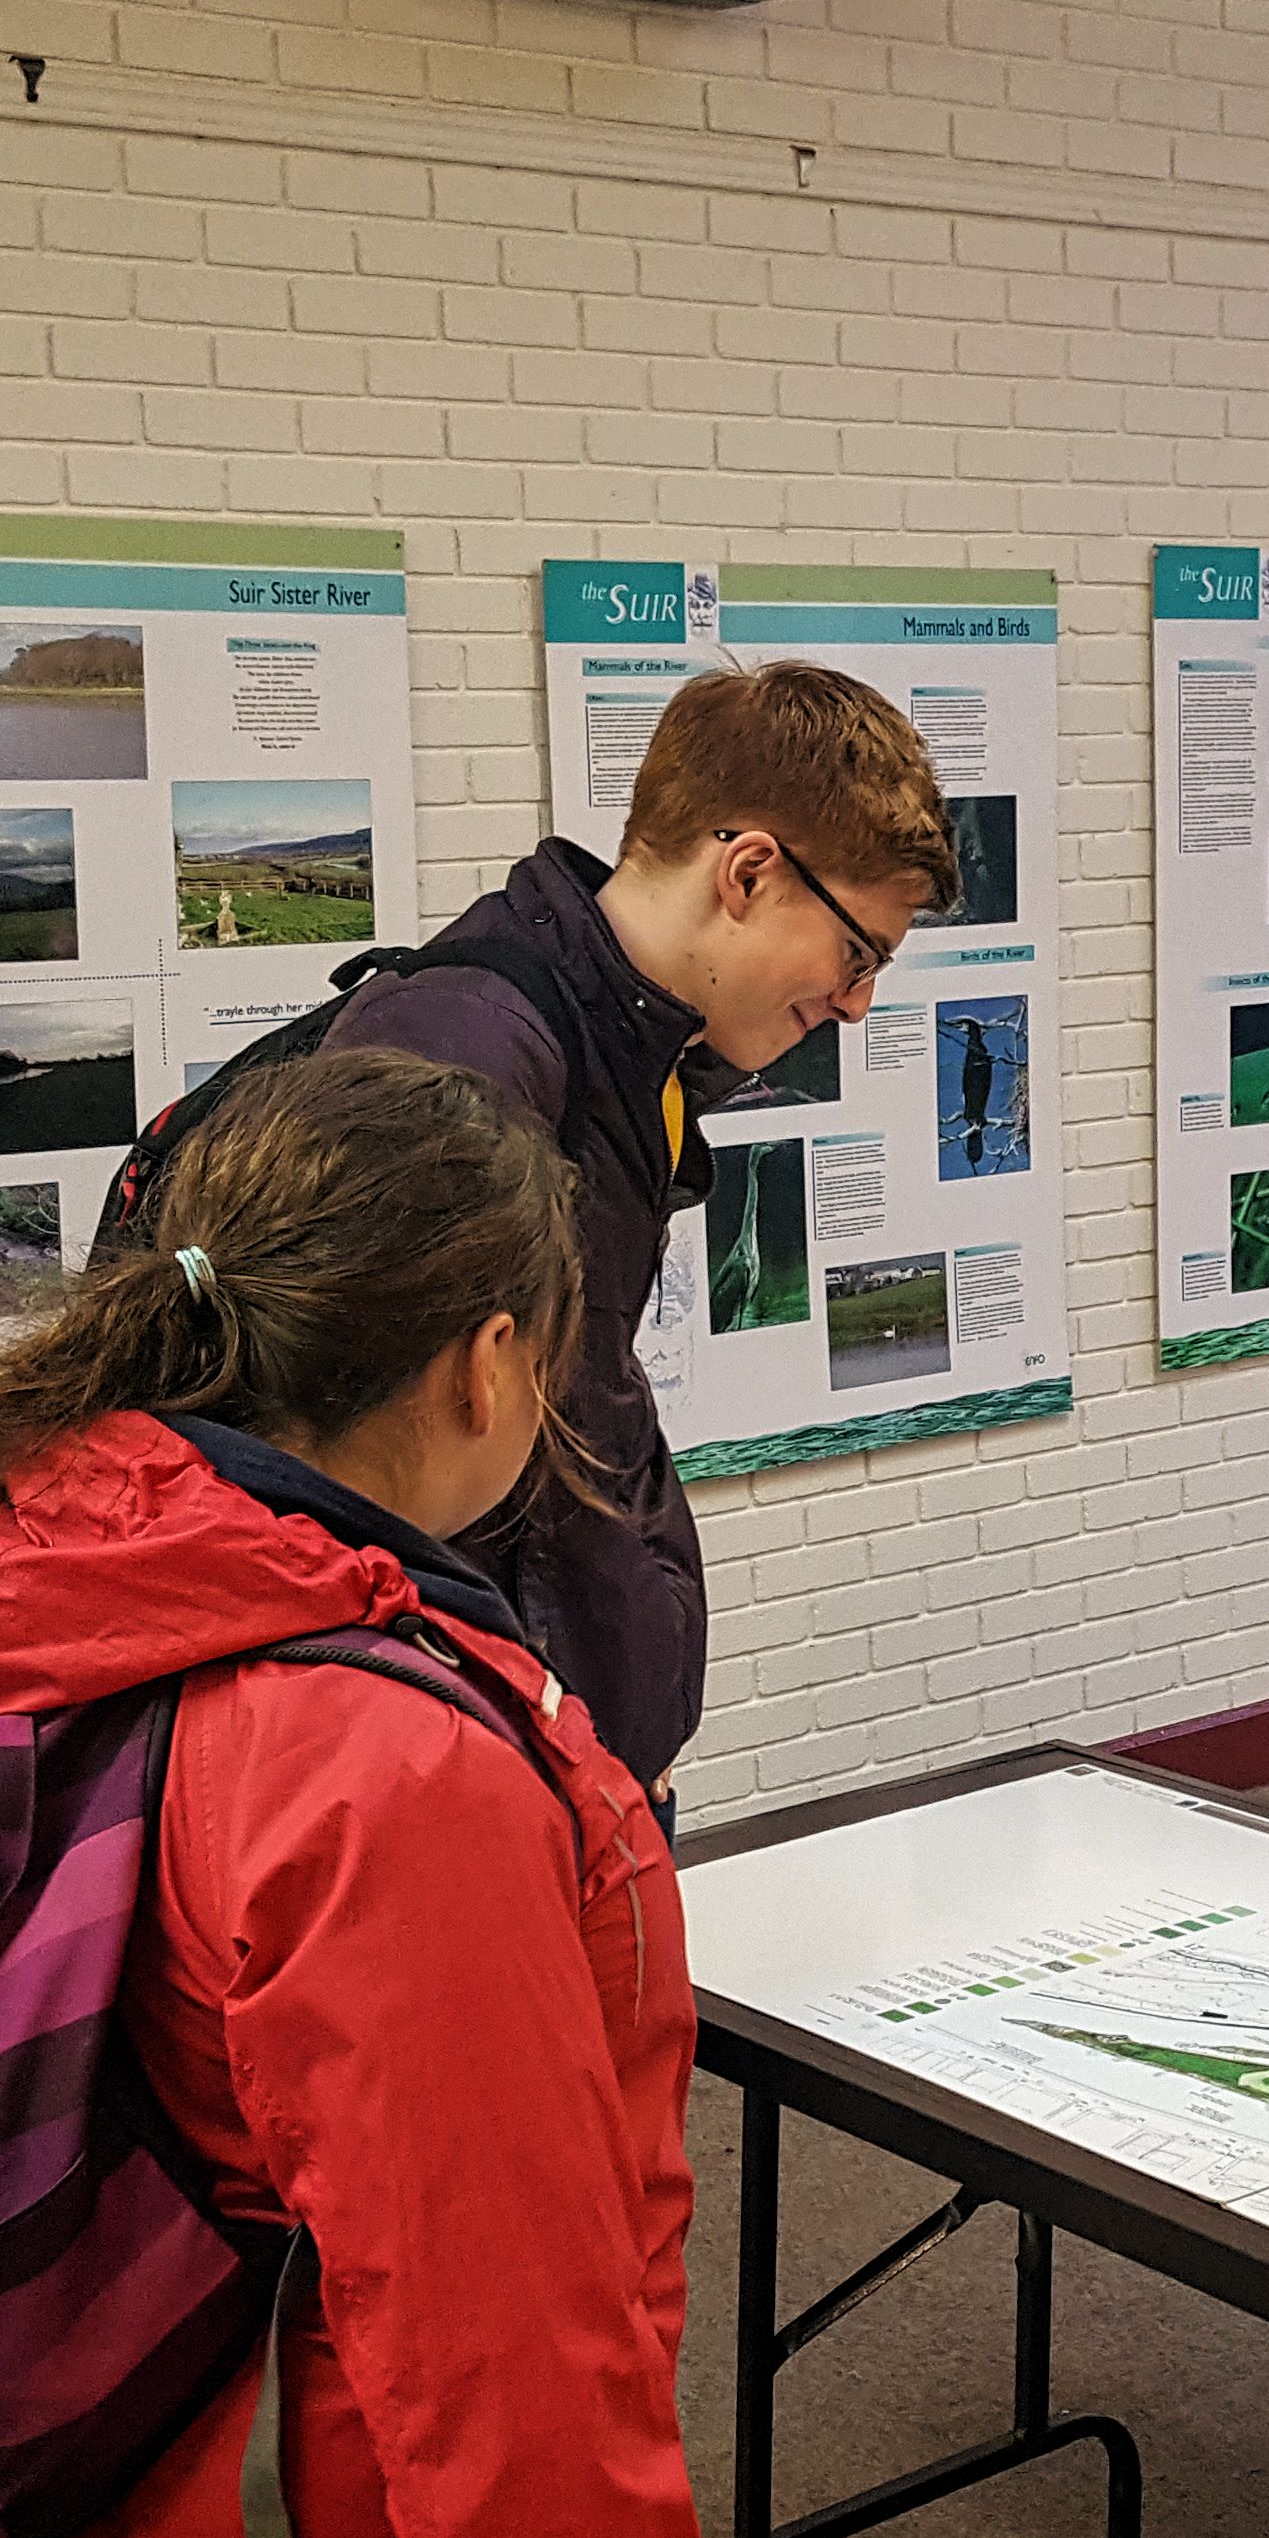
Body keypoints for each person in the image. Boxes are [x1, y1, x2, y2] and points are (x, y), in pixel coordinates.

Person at [0, 1050, 817, 2538]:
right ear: (488, 1365)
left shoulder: (37, 1558)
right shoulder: (385, 1770)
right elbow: (504, 2357)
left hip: (70, 2511)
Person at [300, 660, 955, 1793]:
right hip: (468, 1766)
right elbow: (374, 1483)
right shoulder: (465, 1056)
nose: (857, 1004)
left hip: (551, 1749)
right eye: (859, 954)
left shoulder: (630, 1057)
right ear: (748, 871)